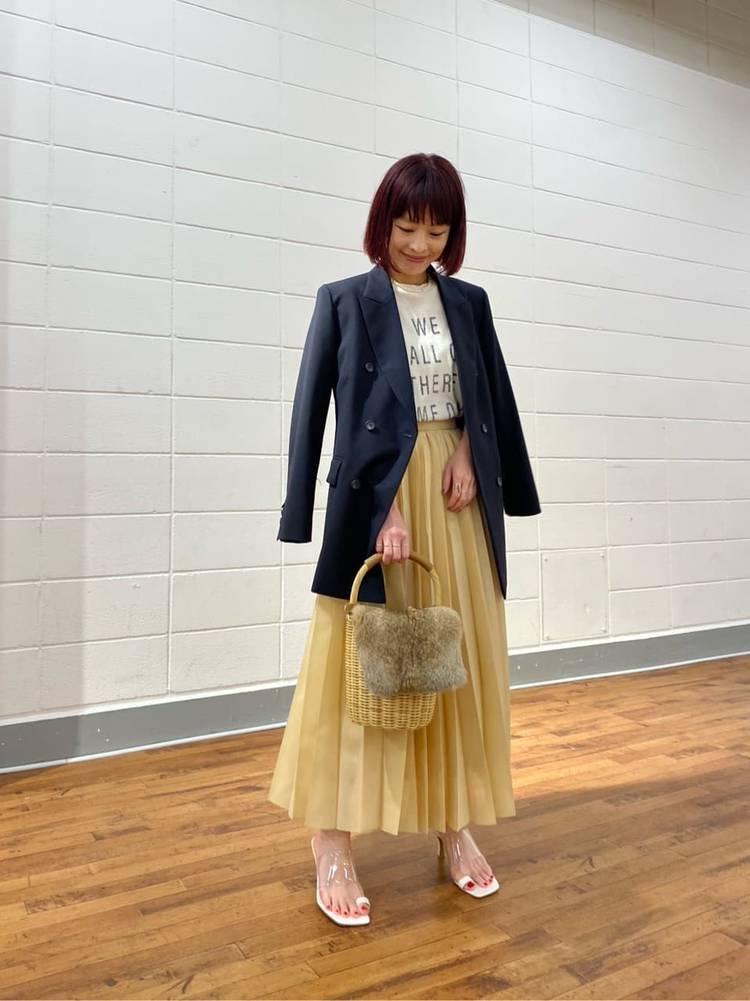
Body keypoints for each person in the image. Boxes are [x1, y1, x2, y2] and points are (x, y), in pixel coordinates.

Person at [267, 153, 541, 926]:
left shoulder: (470, 302)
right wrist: (372, 509)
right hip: (376, 499)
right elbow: (313, 414)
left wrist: (472, 458)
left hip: (456, 496)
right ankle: (332, 839)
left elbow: (489, 395)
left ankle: (455, 825)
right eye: (407, 226)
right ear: (382, 220)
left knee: (456, 661)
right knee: (356, 670)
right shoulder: (344, 300)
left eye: (437, 230)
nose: (420, 244)